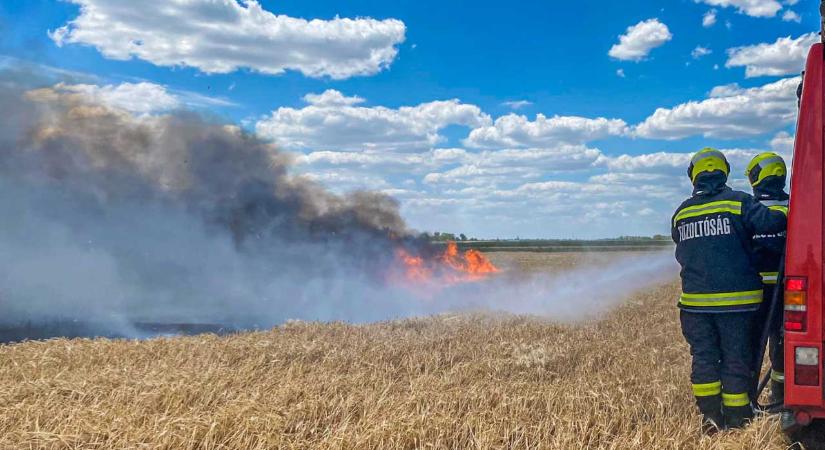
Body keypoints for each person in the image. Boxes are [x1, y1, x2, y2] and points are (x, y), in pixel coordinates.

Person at [672, 148, 787, 432]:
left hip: (695, 308)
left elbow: (679, 240)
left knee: (704, 359)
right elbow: (772, 222)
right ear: (724, 172)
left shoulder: (682, 212)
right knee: (736, 359)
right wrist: (790, 207)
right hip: (737, 306)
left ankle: (711, 418)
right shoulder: (738, 202)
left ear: (694, 176)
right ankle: (737, 420)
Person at [746, 152, 789, 406]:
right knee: (781, 345)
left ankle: (744, 398)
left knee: (751, 346)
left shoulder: (749, 209)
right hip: (788, 291)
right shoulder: (795, 206)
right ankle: (780, 396)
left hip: (756, 292)